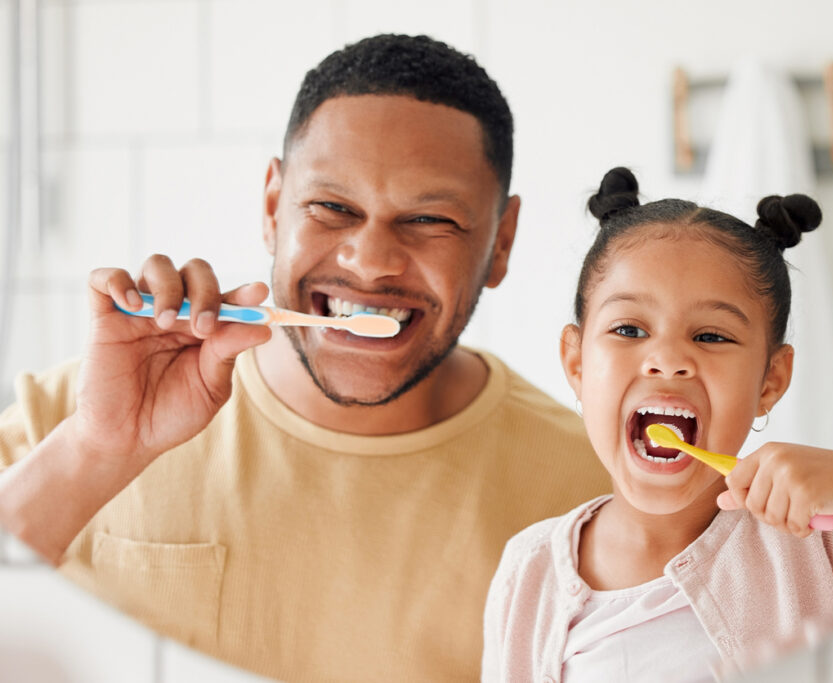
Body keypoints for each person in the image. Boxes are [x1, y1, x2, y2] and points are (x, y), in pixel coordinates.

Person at [0, 35, 609, 681]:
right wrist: (95, 451)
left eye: (429, 219)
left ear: (502, 240)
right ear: (273, 206)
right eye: (333, 207)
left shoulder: (593, 495)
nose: (370, 260)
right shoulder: (67, 422)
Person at [482, 167, 833, 682]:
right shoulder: (529, 572)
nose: (668, 359)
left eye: (712, 336)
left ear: (771, 379)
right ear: (577, 364)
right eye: (629, 329)